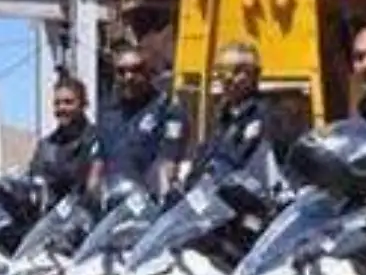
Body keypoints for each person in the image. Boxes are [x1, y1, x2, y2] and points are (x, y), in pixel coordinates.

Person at [88, 43, 188, 200]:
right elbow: (99, 160)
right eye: (121, 72)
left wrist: (162, 199)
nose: (128, 77)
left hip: (147, 206)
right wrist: (91, 196)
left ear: (148, 72)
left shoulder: (167, 111)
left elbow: (168, 163)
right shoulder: (108, 112)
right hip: (111, 208)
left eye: (136, 70)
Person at [183, 41, 274, 186]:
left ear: (256, 75)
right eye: (222, 70)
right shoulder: (220, 116)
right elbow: (202, 160)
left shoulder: (267, 116)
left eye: (237, 70)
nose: (228, 76)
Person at [27, 75, 97, 199]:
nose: (61, 108)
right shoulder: (46, 147)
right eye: (57, 103)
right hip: (52, 216)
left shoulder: (98, 140)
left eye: (68, 102)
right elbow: (34, 184)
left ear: (84, 104)